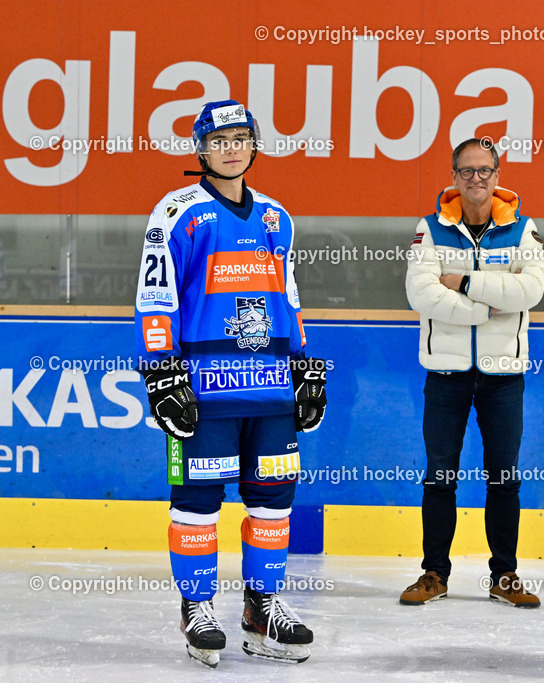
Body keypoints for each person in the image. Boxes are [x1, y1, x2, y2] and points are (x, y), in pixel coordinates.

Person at [134, 100, 327, 668]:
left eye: (241, 138)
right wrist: (161, 371)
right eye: (219, 140)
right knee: (197, 502)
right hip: (202, 385)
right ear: (200, 149)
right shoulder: (176, 211)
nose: (231, 148)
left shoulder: (275, 216)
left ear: (254, 145)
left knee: (273, 502)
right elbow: (155, 294)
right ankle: (197, 608)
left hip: (268, 386)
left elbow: (288, 296)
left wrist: (303, 366)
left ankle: (262, 605)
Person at [401, 138, 544, 608]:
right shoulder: (429, 229)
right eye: (467, 171)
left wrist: (464, 282)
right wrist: (485, 311)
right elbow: (421, 294)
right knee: (439, 478)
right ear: (454, 176)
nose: (476, 179)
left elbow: (531, 290)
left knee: (504, 477)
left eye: (485, 170)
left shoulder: (524, 230)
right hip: (446, 376)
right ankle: (433, 574)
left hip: (504, 376)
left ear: (498, 175)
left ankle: (504, 575)